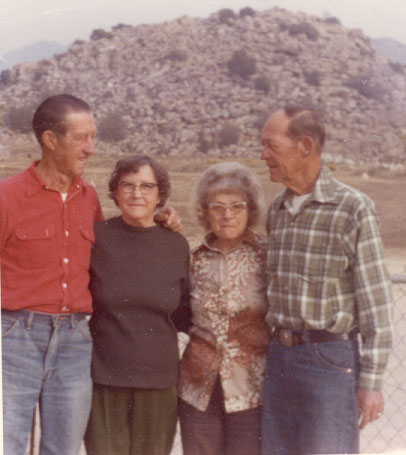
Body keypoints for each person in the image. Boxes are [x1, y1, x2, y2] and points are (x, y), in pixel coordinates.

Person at [0, 94, 180, 455]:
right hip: (16, 337)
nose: (91, 149)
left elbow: (115, 247)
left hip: (74, 341)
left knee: (63, 448)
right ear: (50, 140)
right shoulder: (7, 196)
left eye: (93, 137)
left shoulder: (88, 198)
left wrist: (157, 221)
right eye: (81, 138)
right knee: (9, 443)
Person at [260, 105, 393, 455]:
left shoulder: (353, 208)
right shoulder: (277, 209)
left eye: (271, 145)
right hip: (278, 359)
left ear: (305, 145)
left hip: (329, 363)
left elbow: (376, 302)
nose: (263, 155)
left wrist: (371, 382)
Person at [84, 155, 190, 455]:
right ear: (115, 192)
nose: (136, 194)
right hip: (103, 379)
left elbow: (184, 312)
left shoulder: (176, 244)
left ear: (160, 194)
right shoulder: (96, 237)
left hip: (158, 381)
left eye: (146, 186)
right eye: (127, 185)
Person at [178, 162, 269, 455]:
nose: (227, 215)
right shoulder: (193, 259)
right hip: (198, 388)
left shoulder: (266, 256)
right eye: (217, 207)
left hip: (252, 388)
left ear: (250, 210)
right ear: (205, 212)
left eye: (237, 206)